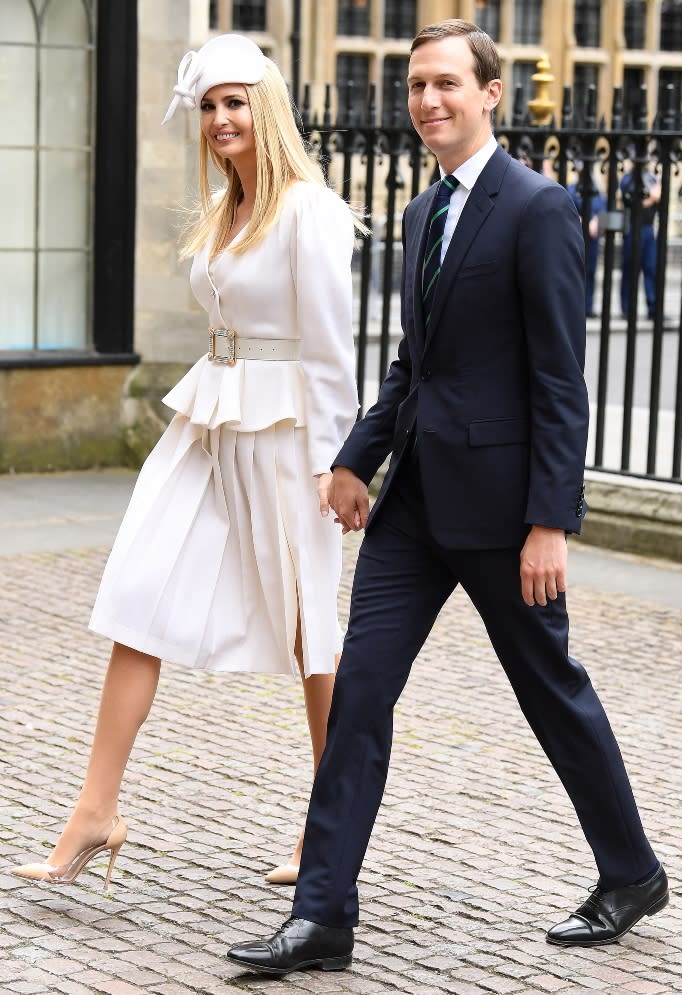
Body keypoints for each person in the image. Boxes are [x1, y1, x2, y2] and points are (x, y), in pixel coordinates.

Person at [226, 19, 668, 977]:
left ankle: (632, 871)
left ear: (491, 93)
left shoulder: (540, 209)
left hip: (506, 516)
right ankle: (323, 916)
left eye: (447, 84)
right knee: (360, 697)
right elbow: (411, 367)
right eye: (417, 84)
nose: (429, 100)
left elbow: (561, 379)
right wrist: (355, 458)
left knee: (552, 693)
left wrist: (551, 521)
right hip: (414, 510)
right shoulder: (427, 211)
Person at [11, 34, 360, 890]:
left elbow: (330, 351)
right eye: (207, 106)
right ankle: (96, 809)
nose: (219, 119)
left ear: (266, 109)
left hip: (283, 436)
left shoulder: (308, 211)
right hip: (208, 425)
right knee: (141, 590)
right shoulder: (223, 212)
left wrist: (337, 461)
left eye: (235, 102)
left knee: (312, 628)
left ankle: (333, 827)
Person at [619, 160, 661, 319]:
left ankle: (653, 308)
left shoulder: (651, 178)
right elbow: (633, 202)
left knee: (651, 268)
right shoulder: (629, 179)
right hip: (632, 227)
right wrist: (652, 198)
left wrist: (652, 197)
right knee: (631, 269)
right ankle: (627, 309)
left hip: (649, 228)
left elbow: (660, 197)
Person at [567, 174, 607, 317]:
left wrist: (596, 221)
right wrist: (584, 221)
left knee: (590, 272)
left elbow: (602, 209)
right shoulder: (572, 189)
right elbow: (568, 209)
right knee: (576, 271)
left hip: (593, 237)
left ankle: (588, 307)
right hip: (577, 236)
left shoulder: (596, 189)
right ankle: (575, 307)